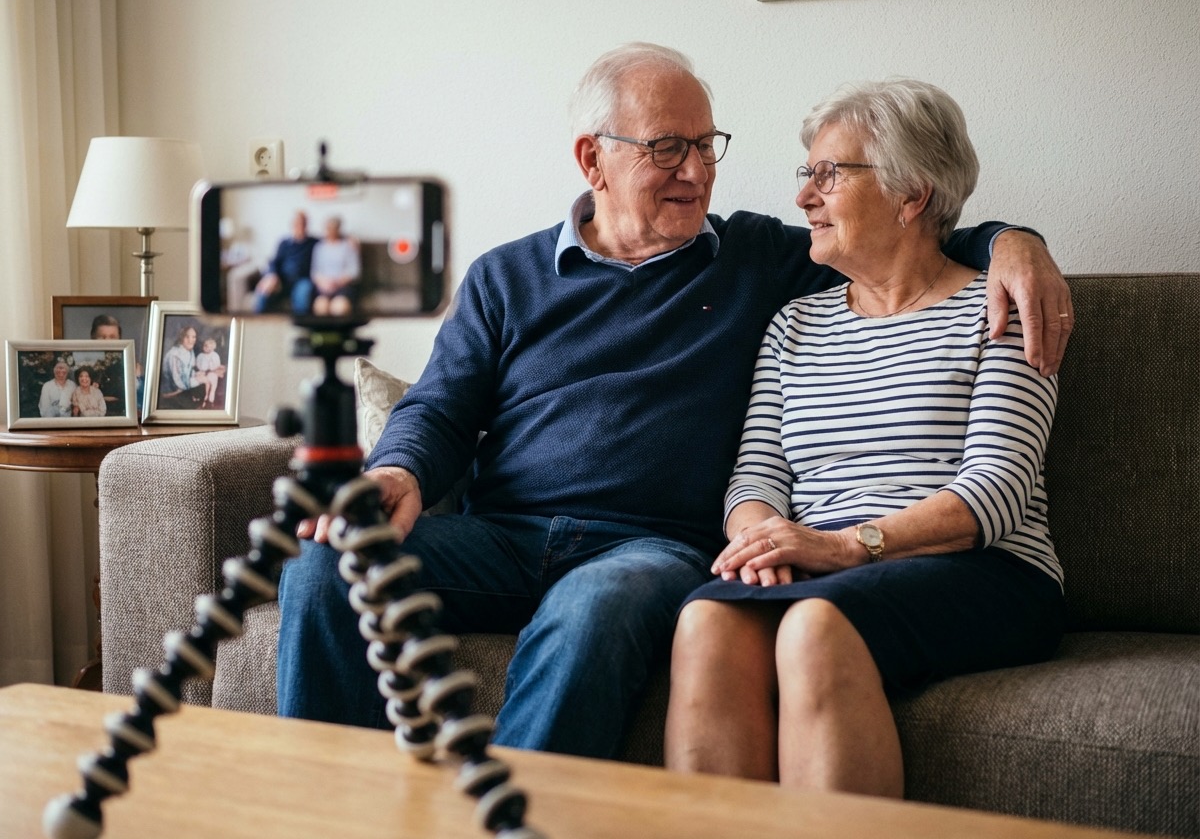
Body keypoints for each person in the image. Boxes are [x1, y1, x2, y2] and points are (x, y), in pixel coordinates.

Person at [276, 43, 1072, 760]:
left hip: (647, 548)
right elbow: (441, 407)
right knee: (326, 560)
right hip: (504, 536)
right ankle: (340, 826)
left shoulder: (756, 259)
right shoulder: (504, 277)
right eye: (667, 149)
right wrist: (401, 472)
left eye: (705, 146)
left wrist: (1013, 241)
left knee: (598, 605)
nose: (696, 171)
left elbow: (906, 243)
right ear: (594, 160)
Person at [663, 78, 1064, 798]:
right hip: (825, 567)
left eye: (829, 174)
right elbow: (757, 477)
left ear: (912, 194)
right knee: (707, 621)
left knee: (816, 626)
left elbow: (997, 491)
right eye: (805, 173)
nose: (803, 197)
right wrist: (760, 542)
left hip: (985, 572)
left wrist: (847, 546)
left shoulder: (1000, 305)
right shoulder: (795, 324)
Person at [253, 210, 317, 314]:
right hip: (282, 280)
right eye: (297, 223)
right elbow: (274, 262)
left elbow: (332, 241)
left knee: (303, 292)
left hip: (302, 280)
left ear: (306, 225)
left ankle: (300, 327)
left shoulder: (314, 242)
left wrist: (349, 240)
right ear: (292, 225)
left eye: (302, 223)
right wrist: (272, 275)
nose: (300, 226)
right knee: (263, 291)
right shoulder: (284, 243)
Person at [311, 216, 361, 317]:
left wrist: (337, 282)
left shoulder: (348, 246)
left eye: (333, 228)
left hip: (343, 286)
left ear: (339, 229)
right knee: (321, 306)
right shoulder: (319, 247)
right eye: (328, 228)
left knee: (339, 307)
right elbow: (314, 272)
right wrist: (324, 283)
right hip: (324, 286)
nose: (330, 231)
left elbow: (354, 272)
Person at [90, 313, 142, 411]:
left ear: (119, 339)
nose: (107, 341)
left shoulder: (129, 363)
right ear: (93, 338)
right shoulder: (86, 364)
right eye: (102, 337)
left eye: (112, 337)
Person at [159, 324, 206, 408]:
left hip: (182, 390)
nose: (191, 340)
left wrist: (196, 374)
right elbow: (179, 383)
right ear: (181, 338)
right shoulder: (174, 355)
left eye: (193, 337)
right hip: (171, 394)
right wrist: (198, 380)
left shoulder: (189, 351)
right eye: (187, 337)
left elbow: (188, 370)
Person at [193, 336, 226, 408]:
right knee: (205, 382)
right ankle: (205, 397)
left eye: (207, 346)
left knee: (213, 382)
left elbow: (216, 365)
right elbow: (199, 365)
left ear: (212, 348)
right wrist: (203, 369)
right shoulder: (201, 355)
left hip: (213, 372)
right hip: (204, 372)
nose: (204, 347)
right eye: (204, 346)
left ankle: (211, 399)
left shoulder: (215, 355)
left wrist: (211, 367)